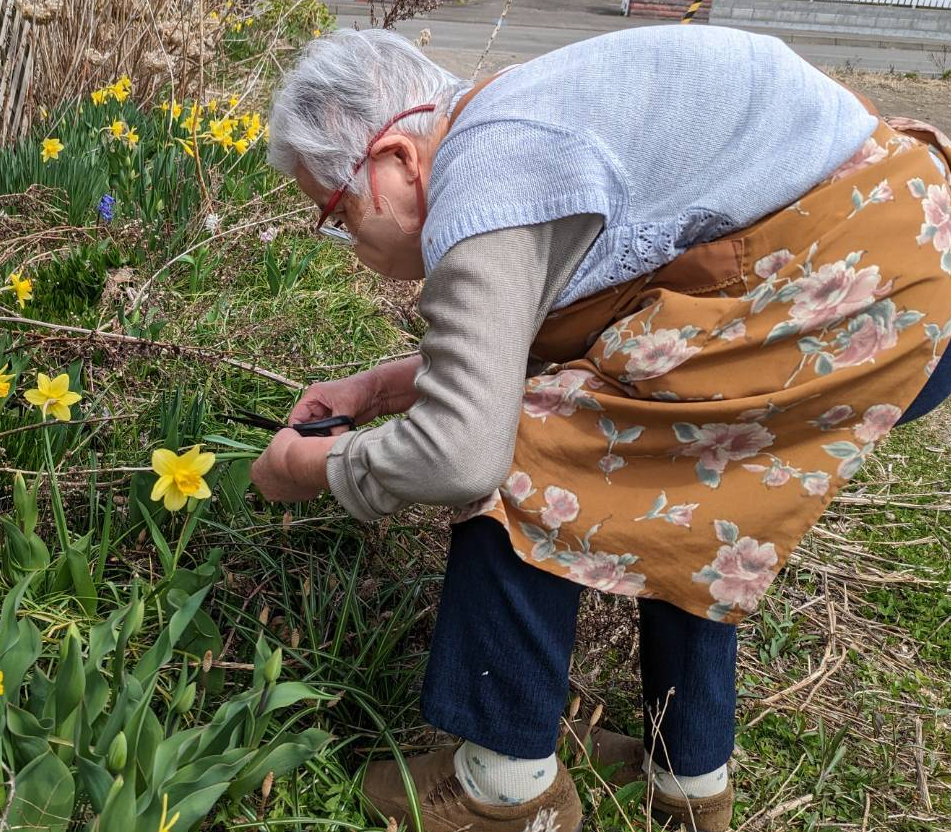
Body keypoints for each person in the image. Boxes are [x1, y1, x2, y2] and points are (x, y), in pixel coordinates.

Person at [250, 24, 951, 832]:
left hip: (861, 292)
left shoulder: (488, 176)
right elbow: (565, 324)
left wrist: (305, 469)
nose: (345, 244)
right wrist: (380, 386)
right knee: (683, 481)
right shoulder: (519, 122)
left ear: (397, 160)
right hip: (898, 261)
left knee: (528, 453)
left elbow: (460, 452)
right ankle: (685, 775)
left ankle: (501, 789)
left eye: (334, 214)